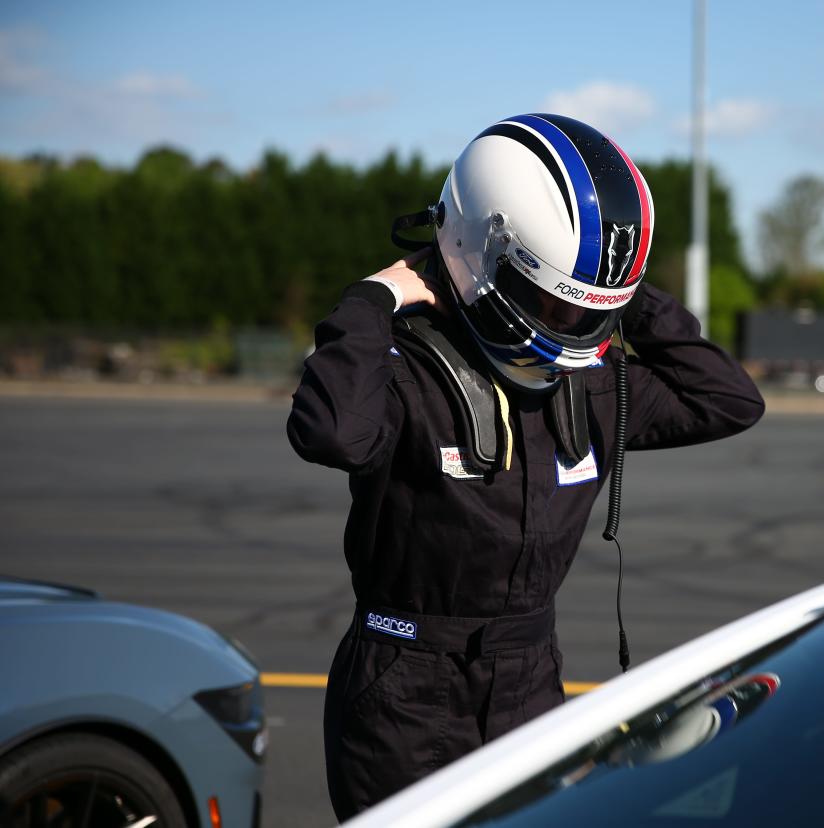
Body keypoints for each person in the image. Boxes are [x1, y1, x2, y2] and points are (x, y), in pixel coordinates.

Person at [286, 112, 764, 821]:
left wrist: (618, 292)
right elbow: (331, 434)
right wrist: (370, 301)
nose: (571, 330)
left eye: (585, 313)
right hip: (403, 692)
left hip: (531, 680)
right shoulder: (407, 373)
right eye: (551, 302)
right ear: (476, 249)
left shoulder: (594, 387)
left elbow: (728, 400)